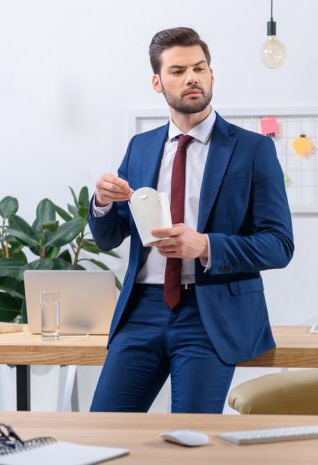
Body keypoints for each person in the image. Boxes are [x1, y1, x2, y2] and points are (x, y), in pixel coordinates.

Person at [88, 27, 294, 413]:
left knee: (192, 440)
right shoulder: (141, 147)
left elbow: (279, 245)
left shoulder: (253, 149)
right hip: (141, 312)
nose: (192, 78)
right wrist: (101, 201)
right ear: (157, 81)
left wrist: (206, 245)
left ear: (211, 74)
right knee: (103, 428)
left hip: (209, 313)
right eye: (178, 70)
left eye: (200, 68)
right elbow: (109, 235)